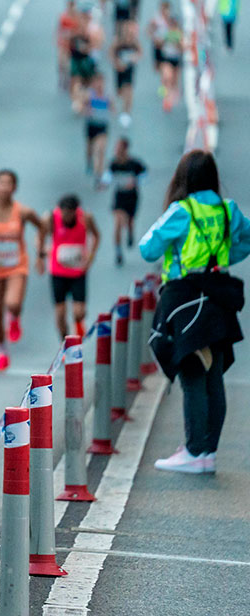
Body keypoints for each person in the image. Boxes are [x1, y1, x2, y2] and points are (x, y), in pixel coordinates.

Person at [139, 150, 250, 474]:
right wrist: (224, 256)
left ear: (183, 178)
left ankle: (193, 450)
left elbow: (148, 248)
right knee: (214, 375)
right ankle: (208, 453)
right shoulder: (228, 210)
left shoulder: (181, 211)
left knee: (191, 373)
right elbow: (247, 241)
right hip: (219, 294)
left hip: (185, 298)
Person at [0, 170, 45, 372]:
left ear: (15, 187)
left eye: (8, 183)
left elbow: (42, 226)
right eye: (0, 183)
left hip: (16, 266)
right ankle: (2, 353)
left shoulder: (23, 212)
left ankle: (14, 317)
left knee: (12, 303)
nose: (4, 187)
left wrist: (41, 252)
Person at [35, 194, 100, 339]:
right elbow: (40, 236)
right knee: (60, 313)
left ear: (76, 211)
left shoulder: (86, 218)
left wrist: (91, 256)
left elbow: (96, 236)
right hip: (58, 272)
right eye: (64, 212)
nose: (66, 216)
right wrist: (40, 257)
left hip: (78, 271)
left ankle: (79, 323)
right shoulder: (51, 218)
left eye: (70, 213)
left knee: (79, 312)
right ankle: (64, 342)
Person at [107, 137, 147, 265]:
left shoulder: (134, 164)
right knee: (118, 223)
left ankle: (130, 232)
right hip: (119, 197)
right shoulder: (113, 164)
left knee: (129, 221)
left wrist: (136, 182)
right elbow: (107, 177)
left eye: (119, 149)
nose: (117, 151)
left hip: (132, 197)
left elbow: (145, 175)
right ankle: (118, 251)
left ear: (125, 150)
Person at [110, 20, 142, 127]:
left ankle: (126, 113)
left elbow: (140, 52)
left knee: (128, 90)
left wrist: (134, 58)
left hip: (129, 69)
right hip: (119, 69)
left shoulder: (134, 42)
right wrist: (116, 63)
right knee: (119, 91)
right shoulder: (118, 41)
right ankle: (121, 106)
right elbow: (111, 53)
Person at [83, 72, 113, 187]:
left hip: (102, 127)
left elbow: (112, 108)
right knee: (90, 149)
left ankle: (99, 174)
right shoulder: (89, 95)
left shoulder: (107, 95)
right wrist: (87, 110)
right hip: (92, 125)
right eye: (97, 82)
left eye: (101, 82)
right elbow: (83, 107)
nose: (99, 85)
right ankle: (89, 162)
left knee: (100, 150)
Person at [68, 10, 97, 113]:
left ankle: (84, 102)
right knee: (76, 81)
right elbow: (70, 46)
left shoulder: (89, 35)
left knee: (86, 83)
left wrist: (87, 48)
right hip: (76, 59)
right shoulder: (74, 35)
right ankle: (77, 101)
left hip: (85, 60)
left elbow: (93, 47)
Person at [158, 14, 183, 112]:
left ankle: (171, 99)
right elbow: (158, 44)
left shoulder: (179, 34)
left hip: (176, 59)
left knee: (174, 81)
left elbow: (182, 48)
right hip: (166, 58)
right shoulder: (165, 32)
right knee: (168, 77)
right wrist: (165, 40)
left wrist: (177, 43)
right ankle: (166, 99)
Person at [57, 1, 80, 91]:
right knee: (61, 61)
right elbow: (60, 29)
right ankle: (61, 76)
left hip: (72, 43)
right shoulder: (63, 16)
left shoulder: (77, 17)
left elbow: (79, 29)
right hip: (63, 42)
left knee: (70, 63)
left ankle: (69, 79)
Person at [148, 1, 172, 72]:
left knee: (168, 68)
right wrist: (155, 39)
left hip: (168, 46)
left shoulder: (171, 20)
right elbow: (149, 31)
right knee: (158, 68)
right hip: (158, 46)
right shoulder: (156, 19)